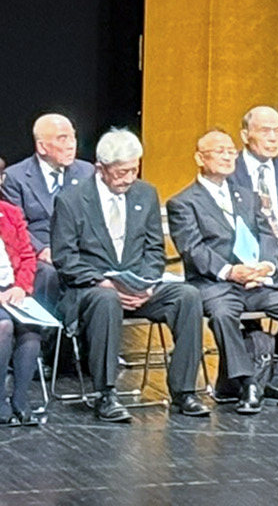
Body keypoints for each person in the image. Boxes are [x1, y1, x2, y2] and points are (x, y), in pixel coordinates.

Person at [49, 128, 209, 421]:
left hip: (139, 287)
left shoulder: (145, 194)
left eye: (134, 170)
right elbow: (65, 258)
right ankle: (106, 394)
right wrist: (105, 282)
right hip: (92, 289)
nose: (128, 178)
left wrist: (145, 284)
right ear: (101, 168)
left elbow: (154, 250)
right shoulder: (72, 200)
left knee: (187, 296)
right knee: (106, 299)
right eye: (121, 172)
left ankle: (185, 391)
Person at [164, 130, 278, 414]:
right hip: (215, 284)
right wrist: (230, 271)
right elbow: (193, 249)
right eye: (220, 151)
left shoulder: (248, 197)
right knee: (223, 315)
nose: (228, 156)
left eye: (231, 151)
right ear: (200, 158)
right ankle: (246, 382)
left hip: (256, 282)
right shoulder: (183, 202)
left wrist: (266, 266)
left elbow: (267, 236)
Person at [1, 114, 95, 309]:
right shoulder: (15, 177)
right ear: (42, 147)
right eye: (62, 139)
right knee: (47, 273)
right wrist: (42, 250)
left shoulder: (88, 173)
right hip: (40, 251)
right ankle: (45, 327)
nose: (71, 145)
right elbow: (16, 228)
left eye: (73, 137)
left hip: (79, 250)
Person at [0, 159, 48, 426]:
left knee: (30, 328)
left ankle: (20, 400)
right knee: (3, 326)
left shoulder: (10, 213)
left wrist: (21, 287)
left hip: (11, 289)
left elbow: (28, 256)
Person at [231, 106, 278, 251]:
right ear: (245, 136)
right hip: (247, 254)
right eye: (264, 131)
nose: (273, 138)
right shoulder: (231, 171)